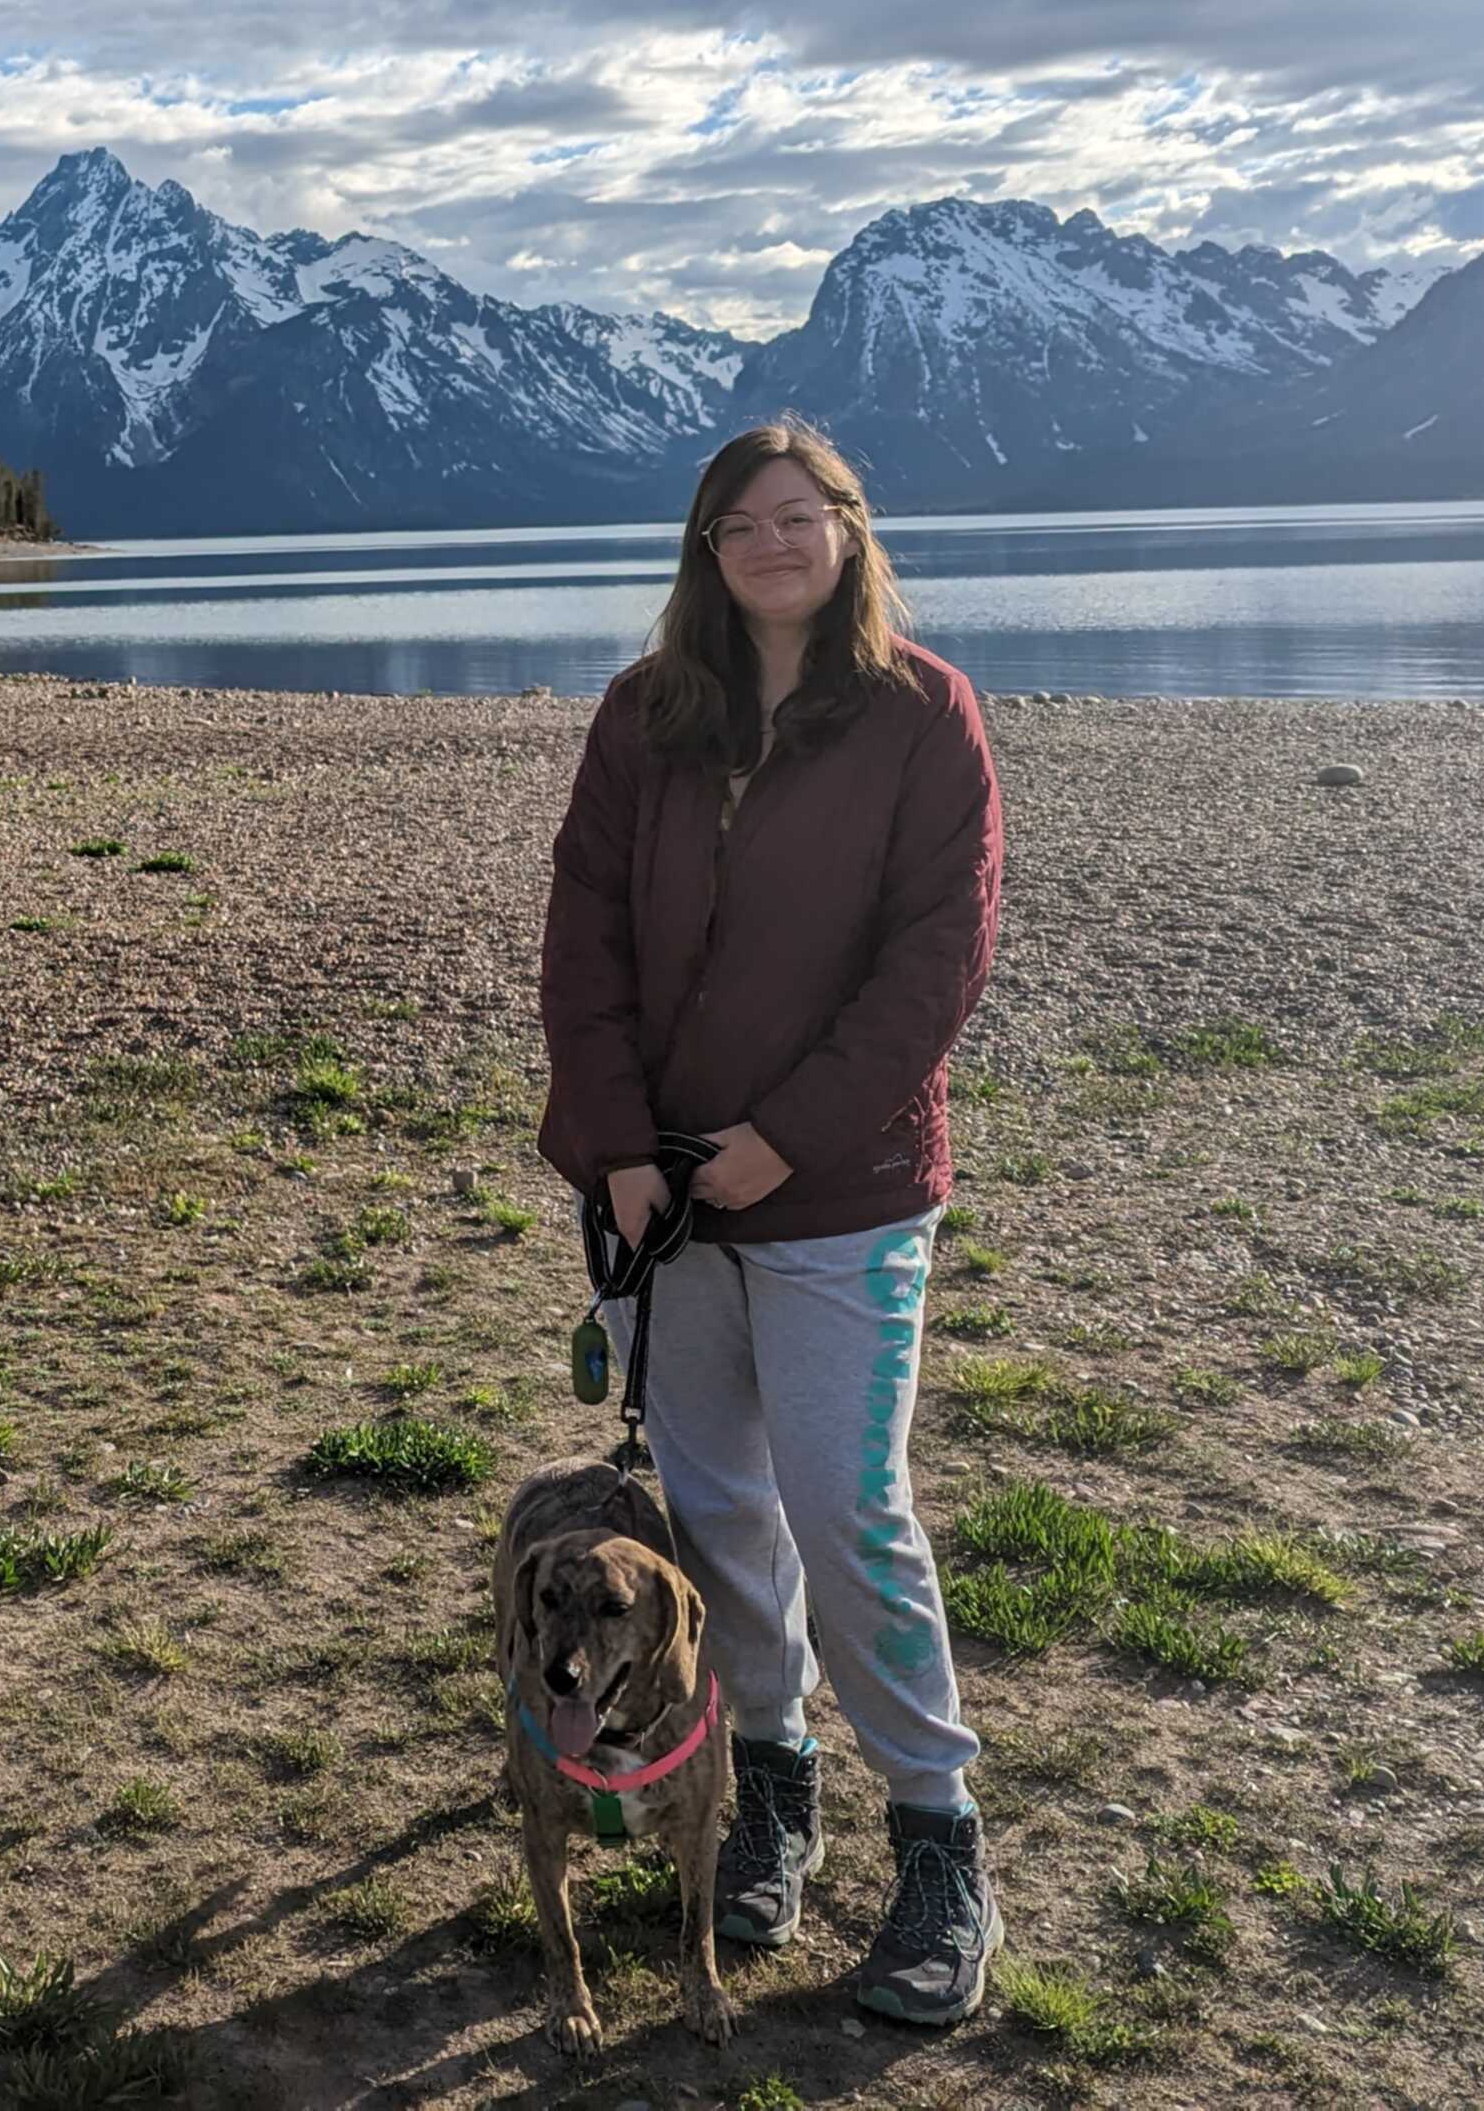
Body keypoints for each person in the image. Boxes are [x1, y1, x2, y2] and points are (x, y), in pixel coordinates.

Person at [535, 418, 1008, 2027]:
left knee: (846, 1509)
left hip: (843, 1203)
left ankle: (938, 1842)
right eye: (736, 523)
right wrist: (620, 1149)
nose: (768, 544)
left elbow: (936, 965)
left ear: (851, 532)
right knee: (722, 1512)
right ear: (704, 550)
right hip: (661, 1202)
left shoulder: (925, 716)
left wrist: (785, 1140)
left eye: (797, 517)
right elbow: (583, 943)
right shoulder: (643, 715)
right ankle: (774, 1783)